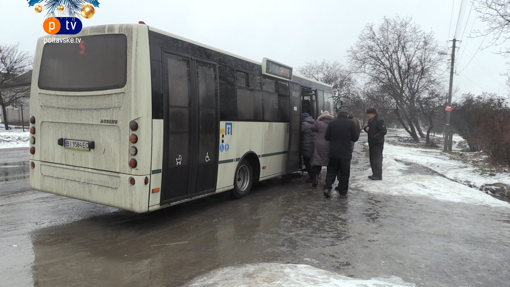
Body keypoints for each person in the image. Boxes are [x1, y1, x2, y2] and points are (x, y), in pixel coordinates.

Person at [323, 107, 360, 198]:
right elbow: (354, 138)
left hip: (333, 152)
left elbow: (327, 137)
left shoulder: (332, 123)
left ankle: (327, 188)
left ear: (338, 114)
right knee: (344, 173)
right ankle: (343, 193)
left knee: (331, 171)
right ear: (347, 115)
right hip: (345, 153)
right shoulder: (351, 123)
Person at [310, 111, 335, 187]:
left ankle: (315, 179)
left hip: (319, 144)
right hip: (330, 144)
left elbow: (312, 128)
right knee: (329, 163)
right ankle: (327, 182)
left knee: (317, 161)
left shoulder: (318, 123)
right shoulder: (333, 123)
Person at [363, 108, 387, 180]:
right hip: (372, 143)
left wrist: (374, 137)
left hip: (377, 143)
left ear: (373, 113)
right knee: (373, 159)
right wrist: (366, 128)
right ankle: (374, 174)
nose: (367, 115)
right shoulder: (371, 120)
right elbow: (368, 128)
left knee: (377, 159)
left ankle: (378, 175)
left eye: (369, 114)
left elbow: (383, 131)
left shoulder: (379, 120)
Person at [300, 112, 316, 183]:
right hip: (313, 145)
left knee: (306, 161)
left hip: (306, 145)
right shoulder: (314, 123)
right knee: (312, 161)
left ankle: (312, 176)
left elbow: (299, 131)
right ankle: (315, 175)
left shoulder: (304, 124)